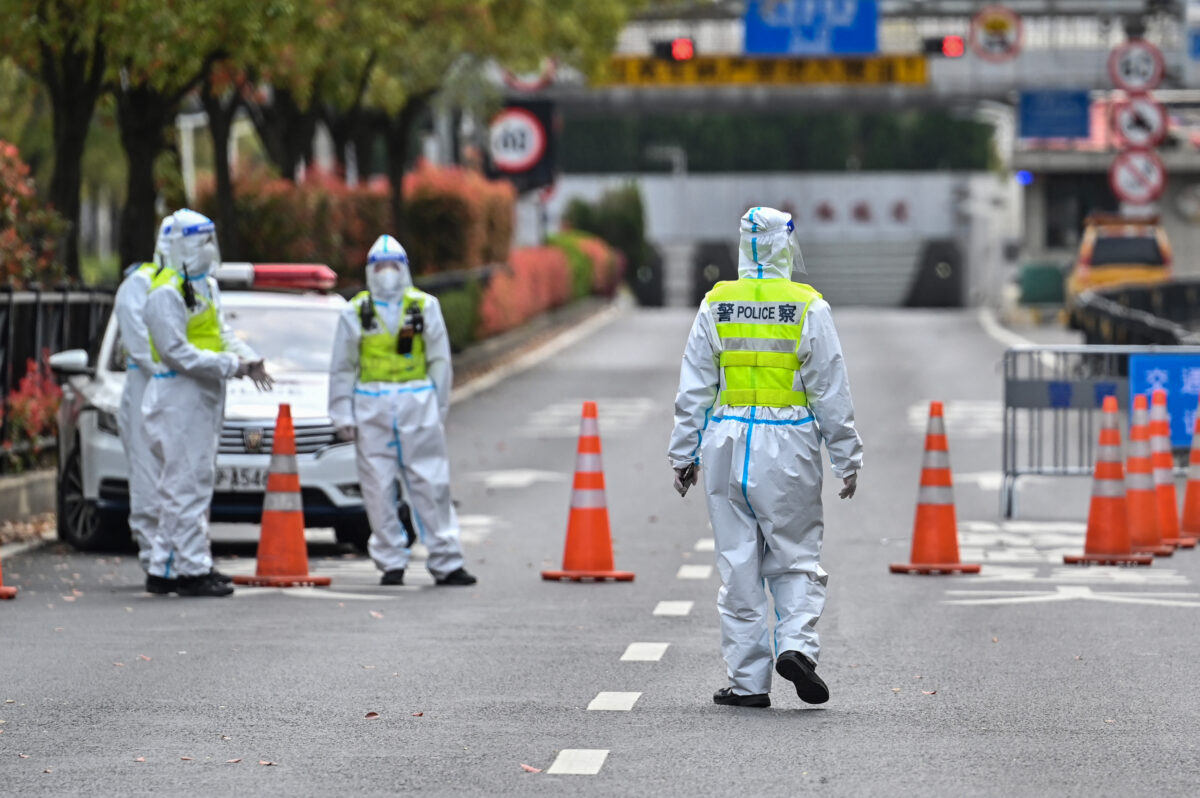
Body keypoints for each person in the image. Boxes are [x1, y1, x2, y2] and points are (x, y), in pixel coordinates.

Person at [668, 206, 863, 708]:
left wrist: (683, 454)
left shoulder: (717, 303)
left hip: (726, 442)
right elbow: (830, 388)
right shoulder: (807, 306)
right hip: (790, 443)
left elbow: (694, 387)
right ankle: (796, 644)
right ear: (784, 246)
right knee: (795, 555)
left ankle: (748, 684)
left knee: (738, 566)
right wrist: (846, 456)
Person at [328, 234, 476, 587]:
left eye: (394, 265)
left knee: (431, 483)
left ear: (405, 269)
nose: (387, 273)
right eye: (380, 266)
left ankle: (447, 560)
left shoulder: (424, 307)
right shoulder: (355, 311)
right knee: (377, 487)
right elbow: (342, 367)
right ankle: (390, 561)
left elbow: (440, 361)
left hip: (417, 402)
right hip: (371, 406)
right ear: (369, 271)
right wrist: (342, 413)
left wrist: (437, 408)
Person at [142, 209, 273, 597]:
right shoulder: (164, 293)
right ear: (181, 244)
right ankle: (192, 570)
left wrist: (247, 359)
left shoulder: (205, 287)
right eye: (203, 241)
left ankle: (164, 567)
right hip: (178, 397)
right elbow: (176, 353)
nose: (210, 249)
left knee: (185, 484)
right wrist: (233, 365)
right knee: (186, 486)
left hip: (202, 396)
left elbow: (222, 334)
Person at [113, 216, 174, 575]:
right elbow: (139, 344)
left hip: (178, 388)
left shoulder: (193, 286)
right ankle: (156, 558)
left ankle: (178, 556)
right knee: (148, 470)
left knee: (179, 473)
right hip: (147, 385)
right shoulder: (140, 284)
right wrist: (176, 370)